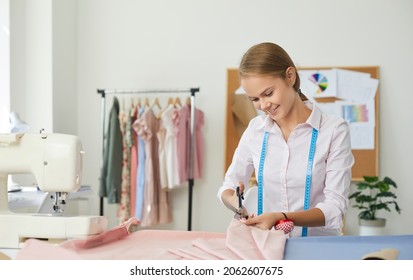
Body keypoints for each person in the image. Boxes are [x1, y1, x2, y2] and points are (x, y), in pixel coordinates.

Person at [217, 42, 354, 237]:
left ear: (290, 76)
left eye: (268, 93)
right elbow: (227, 187)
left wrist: (281, 216)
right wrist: (235, 202)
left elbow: (335, 208)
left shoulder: (333, 130)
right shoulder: (255, 130)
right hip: (267, 247)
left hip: (319, 248)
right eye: (254, 99)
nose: (263, 105)